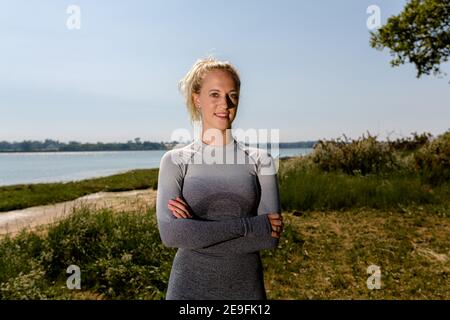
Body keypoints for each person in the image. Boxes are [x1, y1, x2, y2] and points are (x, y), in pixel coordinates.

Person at [156, 56, 284, 300]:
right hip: (188, 291)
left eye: (232, 95)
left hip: (246, 292)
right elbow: (171, 235)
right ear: (197, 99)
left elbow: (269, 238)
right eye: (214, 94)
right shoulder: (174, 161)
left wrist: (196, 228)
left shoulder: (261, 160)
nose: (225, 103)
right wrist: (250, 226)